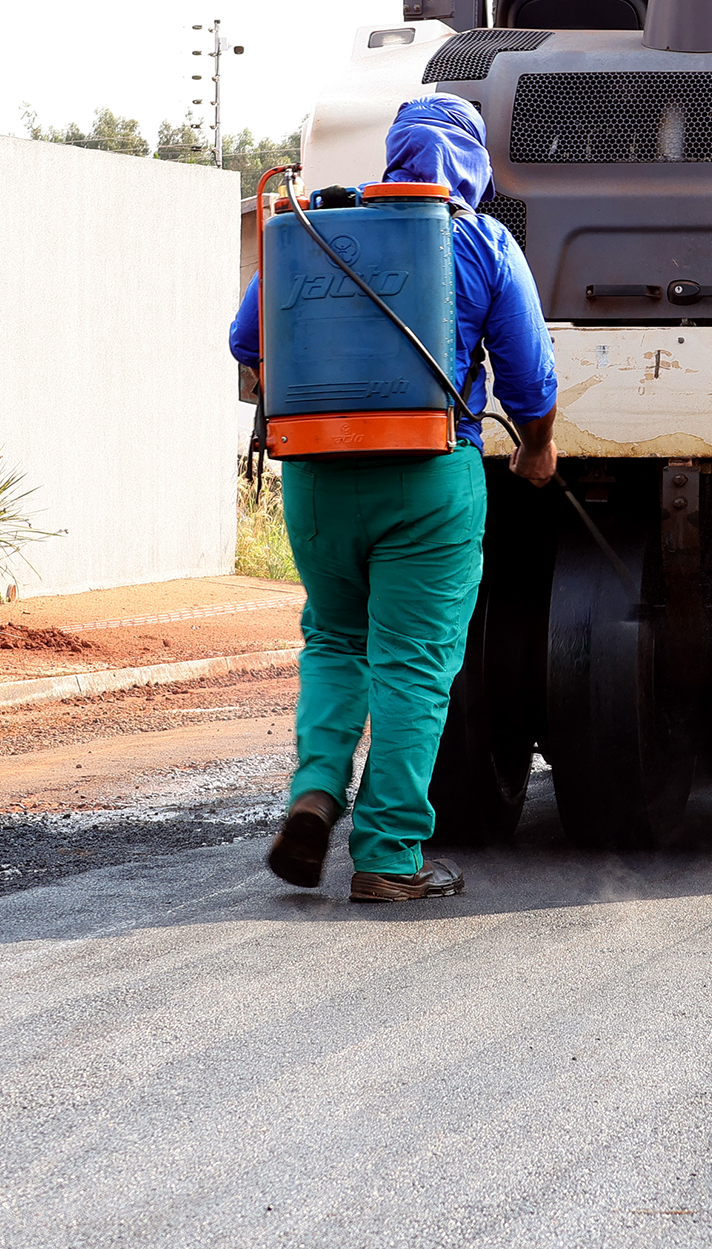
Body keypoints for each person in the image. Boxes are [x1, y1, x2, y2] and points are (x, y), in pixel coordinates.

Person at [229, 96, 560, 902]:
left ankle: (313, 790)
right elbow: (527, 375)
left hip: (312, 478)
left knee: (336, 638)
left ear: (397, 153)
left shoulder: (311, 224)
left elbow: (246, 341)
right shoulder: (480, 240)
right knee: (412, 663)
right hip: (427, 481)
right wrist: (538, 448)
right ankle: (387, 854)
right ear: (473, 165)